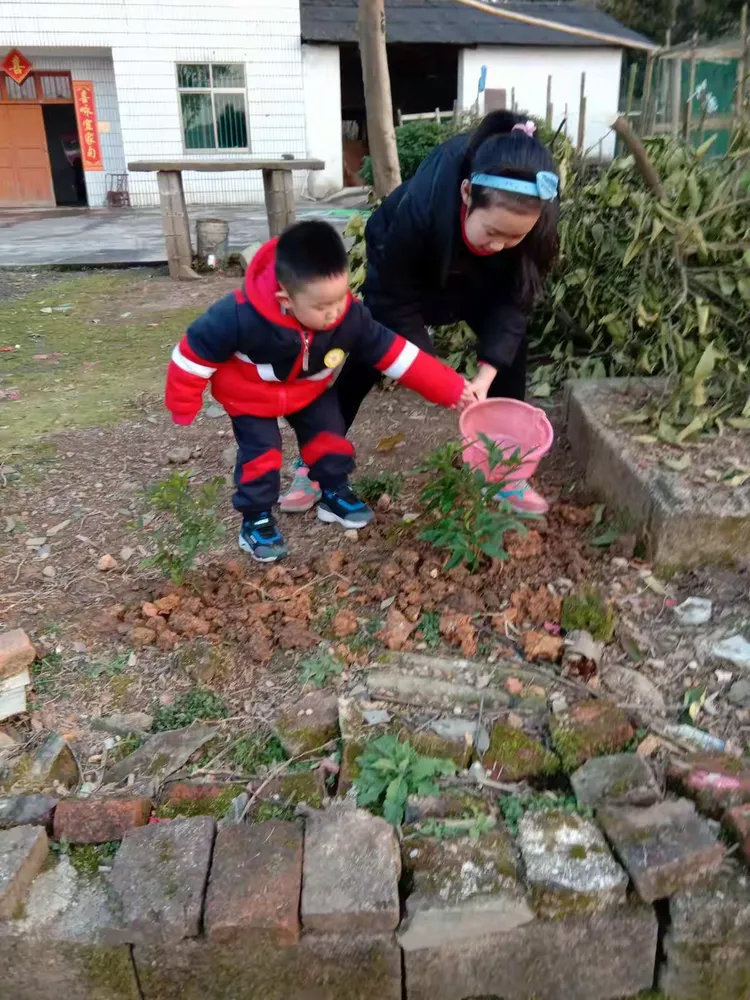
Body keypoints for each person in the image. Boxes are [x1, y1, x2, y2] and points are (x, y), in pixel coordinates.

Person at [281, 111, 560, 516]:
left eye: (514, 237)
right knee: (367, 353)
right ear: (467, 194)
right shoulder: (424, 205)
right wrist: (436, 377)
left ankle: (504, 472)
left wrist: (483, 378)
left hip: (480, 284)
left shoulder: (537, 210)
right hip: (407, 276)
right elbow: (394, 300)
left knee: (509, 353)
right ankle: (315, 462)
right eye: (493, 232)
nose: (500, 245)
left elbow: (515, 302)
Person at [164, 220, 474, 563]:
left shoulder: (350, 317)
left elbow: (396, 353)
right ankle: (256, 520)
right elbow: (193, 354)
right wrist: (183, 401)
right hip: (250, 394)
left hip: (308, 389)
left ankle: (333, 492)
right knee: (262, 454)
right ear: (286, 299)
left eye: (340, 299)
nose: (335, 313)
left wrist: (451, 388)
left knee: (329, 435)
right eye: (323, 307)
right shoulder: (238, 314)